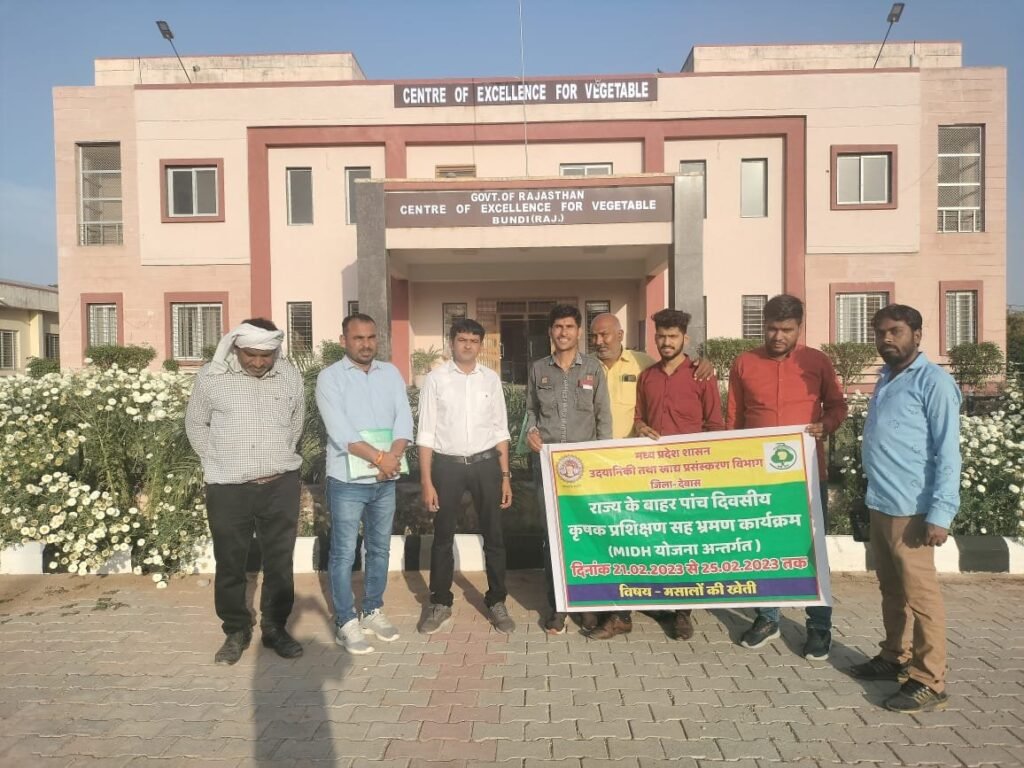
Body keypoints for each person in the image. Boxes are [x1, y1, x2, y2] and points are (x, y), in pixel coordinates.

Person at [846, 304, 961, 713]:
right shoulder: (886, 377)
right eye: (880, 333)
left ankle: (930, 680)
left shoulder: (934, 382)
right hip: (882, 503)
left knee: (921, 597)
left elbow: (949, 452)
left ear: (917, 334)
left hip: (913, 509)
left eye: (895, 331)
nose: (886, 339)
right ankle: (894, 656)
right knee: (891, 589)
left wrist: (940, 514)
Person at [591, 309, 724, 640]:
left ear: (685, 339)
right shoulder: (647, 375)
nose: (666, 342)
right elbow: (639, 416)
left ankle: (682, 613)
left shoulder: (701, 376)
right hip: (649, 473)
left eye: (672, 336)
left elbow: (715, 425)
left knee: (685, 543)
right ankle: (637, 606)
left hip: (690, 474)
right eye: (661, 336)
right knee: (646, 540)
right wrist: (641, 427)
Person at [726, 294, 847, 660]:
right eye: (772, 329)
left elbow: (837, 405)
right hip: (759, 476)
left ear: (800, 328)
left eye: (787, 330)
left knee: (812, 549)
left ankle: (819, 626)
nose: (778, 336)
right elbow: (734, 420)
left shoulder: (817, 361)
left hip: (807, 473)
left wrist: (826, 424)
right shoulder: (744, 363)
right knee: (765, 546)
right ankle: (768, 618)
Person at [185, 318, 305, 665]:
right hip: (228, 488)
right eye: (250, 354)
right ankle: (236, 631)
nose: (257, 362)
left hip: (279, 485)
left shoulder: (290, 376)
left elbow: (296, 423)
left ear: (276, 351)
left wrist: (276, 458)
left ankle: (275, 628)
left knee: (279, 562)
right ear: (236, 348)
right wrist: (218, 460)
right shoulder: (212, 377)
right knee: (230, 562)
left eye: (265, 355)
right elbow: (196, 424)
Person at [315, 313, 414, 655]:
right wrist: (381, 458)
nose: (366, 344)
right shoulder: (330, 378)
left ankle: (372, 609)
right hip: (347, 480)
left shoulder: (391, 373)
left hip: (385, 479)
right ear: (344, 341)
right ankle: (345, 621)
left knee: (379, 548)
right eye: (358, 338)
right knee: (344, 552)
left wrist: (392, 457)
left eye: (371, 337)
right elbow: (340, 430)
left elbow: (404, 419)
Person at [416, 318, 516, 635]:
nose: (468, 345)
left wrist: (505, 476)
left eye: (474, 340)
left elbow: (500, 430)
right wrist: (426, 481)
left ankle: (497, 600)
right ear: (452, 343)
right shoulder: (436, 379)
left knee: (494, 536)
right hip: (447, 466)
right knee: (443, 536)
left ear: (481, 345)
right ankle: (440, 602)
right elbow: (426, 432)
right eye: (462, 340)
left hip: (486, 464)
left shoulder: (490, 380)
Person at [526, 304, 612, 635]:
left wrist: (602, 464)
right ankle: (558, 606)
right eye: (558, 327)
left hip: (584, 471)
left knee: (584, 535)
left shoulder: (592, 368)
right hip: (547, 467)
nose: (563, 332)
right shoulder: (538, 369)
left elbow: (603, 417)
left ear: (579, 332)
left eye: (569, 327)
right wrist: (531, 431)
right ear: (551, 331)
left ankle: (585, 604)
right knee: (552, 537)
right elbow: (531, 410)